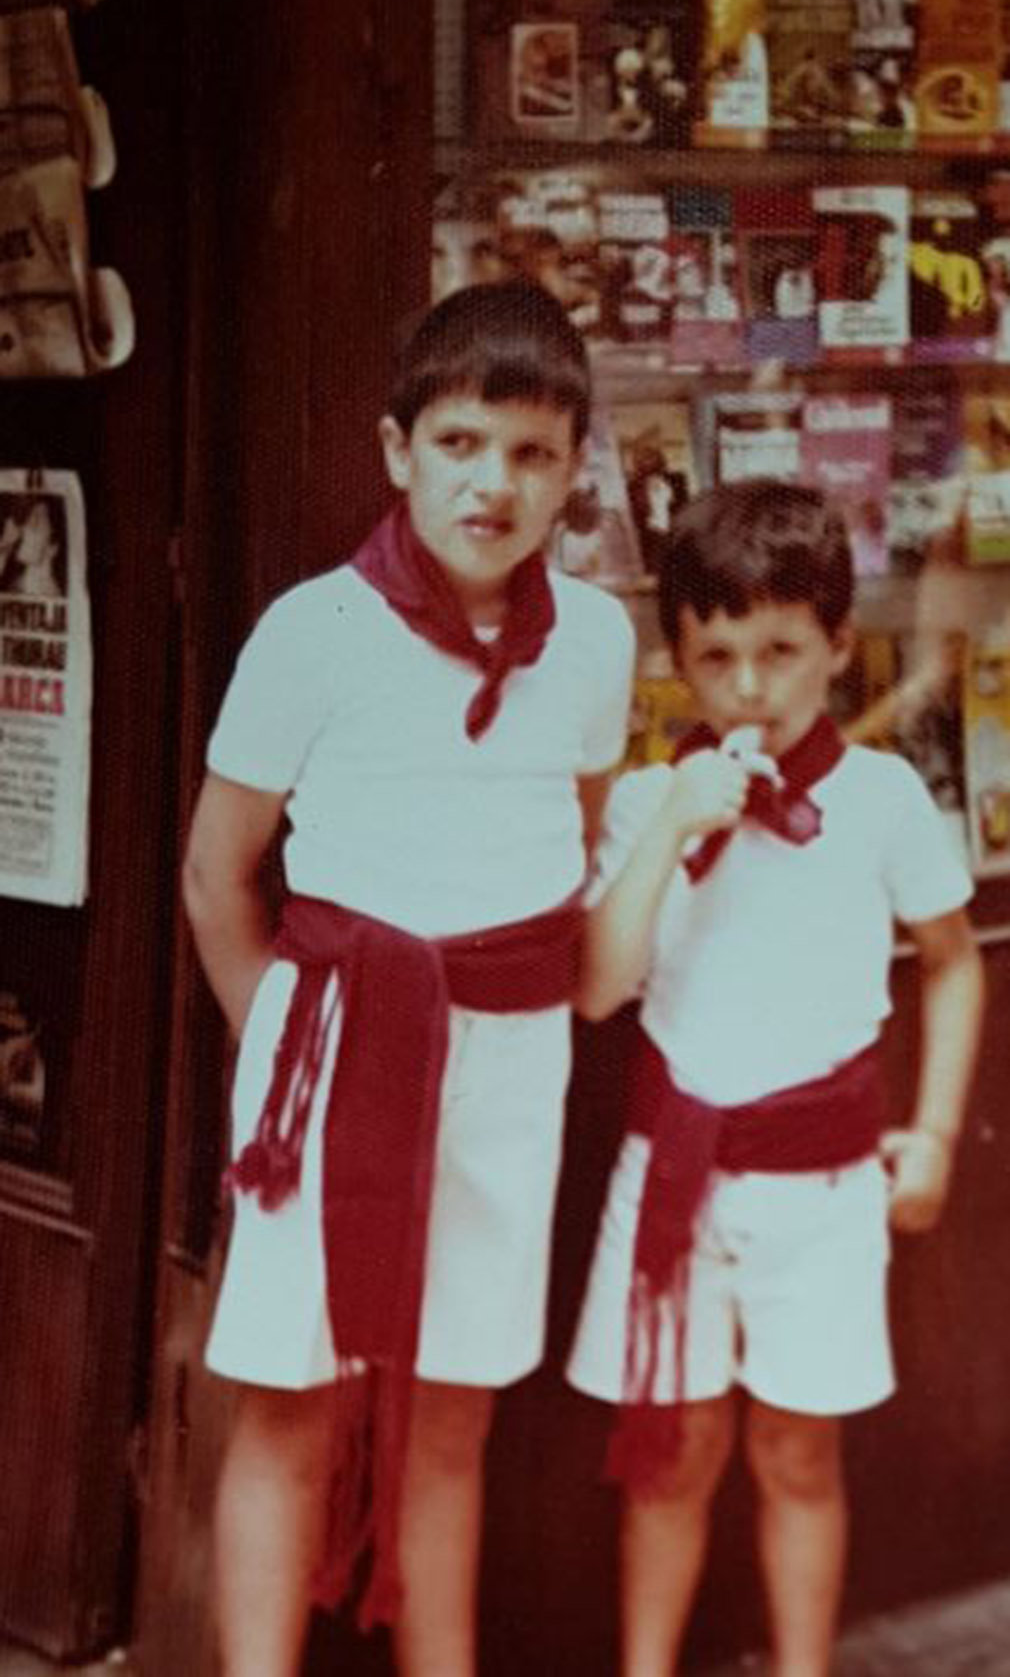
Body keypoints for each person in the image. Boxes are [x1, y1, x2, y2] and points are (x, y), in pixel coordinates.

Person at [182, 278, 636, 1677]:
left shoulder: (595, 641)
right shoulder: (313, 632)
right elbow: (216, 875)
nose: (492, 482)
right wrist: (286, 1043)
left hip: (508, 1064)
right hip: (333, 1050)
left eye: (531, 452)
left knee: (453, 1407)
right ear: (398, 449)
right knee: (292, 1404)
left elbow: (576, 835)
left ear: (573, 468)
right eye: (458, 443)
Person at [567, 480, 983, 1677]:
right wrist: (668, 827)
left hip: (821, 1192)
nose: (749, 686)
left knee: (797, 1454)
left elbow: (952, 964)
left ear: (837, 646)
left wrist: (933, 1134)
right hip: (671, 1182)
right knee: (672, 1453)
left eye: (780, 651)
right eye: (717, 656)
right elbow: (594, 989)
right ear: (677, 660)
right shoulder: (644, 802)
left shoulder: (880, 800)